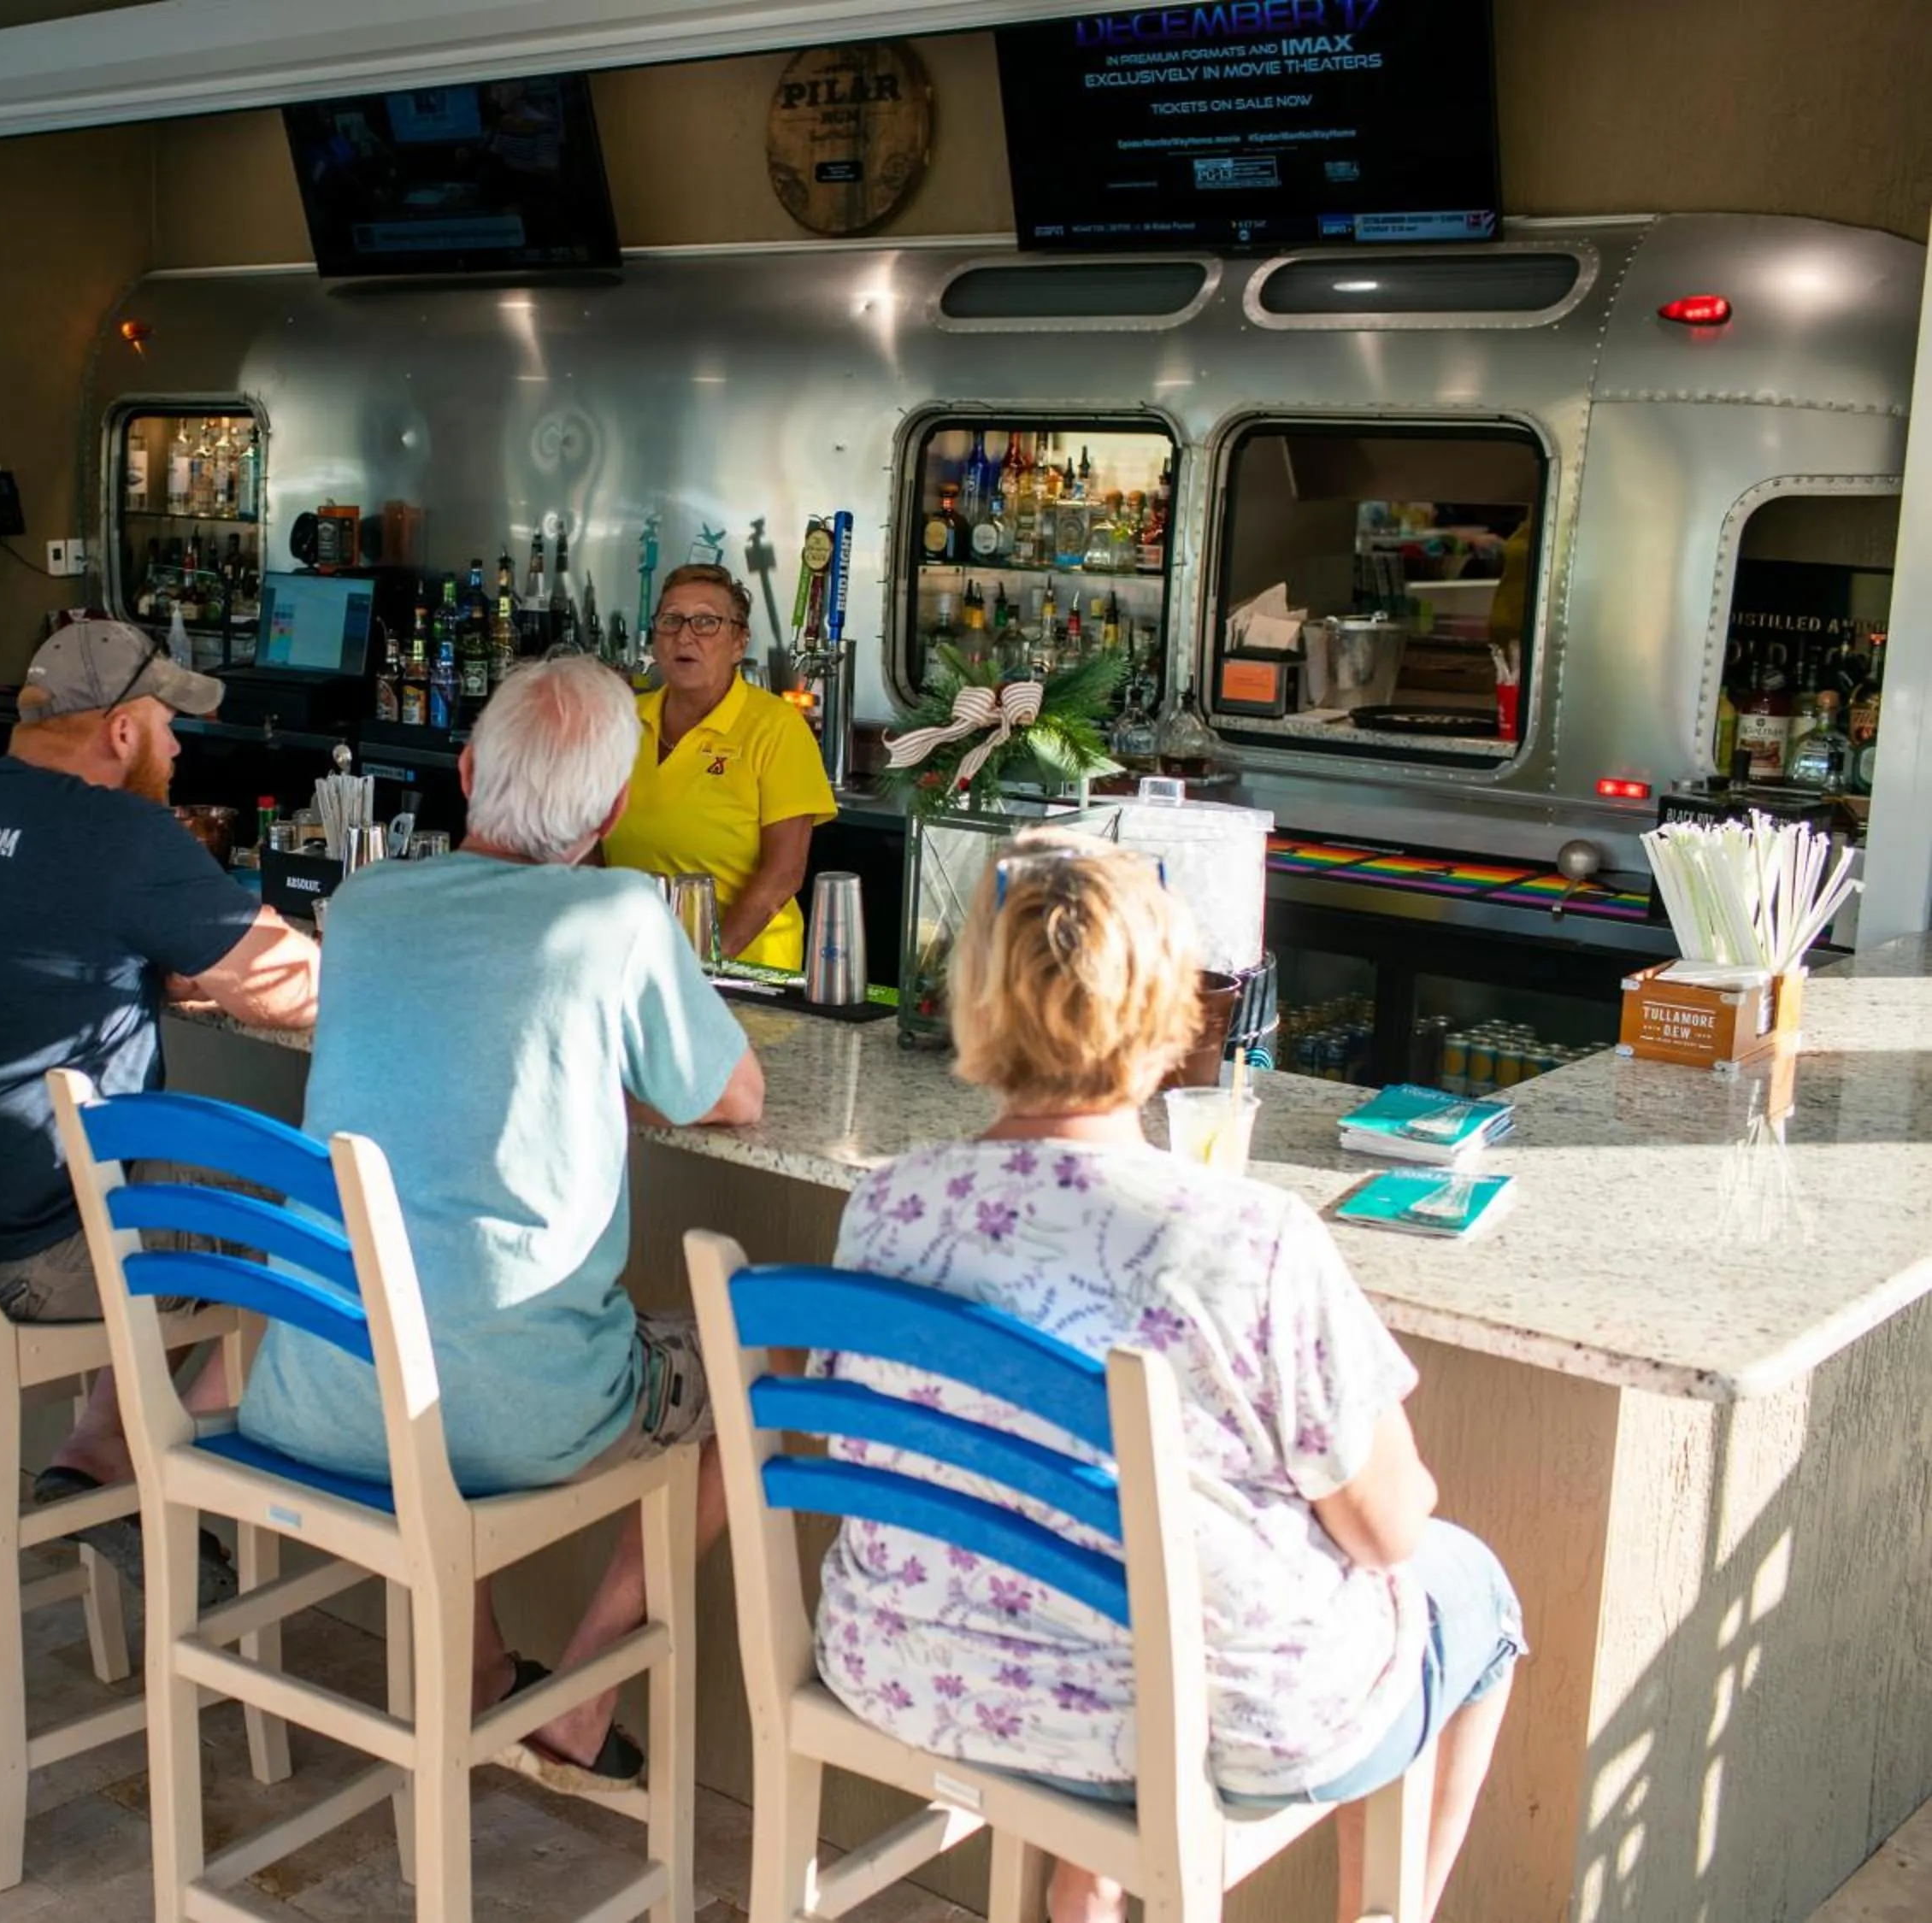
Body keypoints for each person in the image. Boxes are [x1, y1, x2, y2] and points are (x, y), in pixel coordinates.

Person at [810, 832, 1522, 1923]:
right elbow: (1385, 1531)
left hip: (907, 1665)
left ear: (973, 1002)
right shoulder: (1249, 1238)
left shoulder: (888, 1204)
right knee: (1468, 1591)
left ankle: (1084, 1880)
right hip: (1160, 1718)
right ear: (1173, 1009)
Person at [237, 654, 764, 1792]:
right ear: (616, 812)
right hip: (516, 1424)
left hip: (321, 1393)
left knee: (427, 1284)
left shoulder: (365, 903)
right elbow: (735, 1099)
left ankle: (481, 1669)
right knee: (754, 1369)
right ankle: (584, 1694)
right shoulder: (619, 913)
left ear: (468, 768)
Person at [0, 615, 320, 1592]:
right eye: (172, 724)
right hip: (20, 1262)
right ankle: (159, 1485)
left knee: (135, 1170)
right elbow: (296, 989)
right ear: (123, 732)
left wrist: (166, 962)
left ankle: (97, 1455)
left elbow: (38, 943)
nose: (182, 748)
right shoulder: (119, 831)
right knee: (317, 1221)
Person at [599, 563, 837, 970]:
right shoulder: (620, 721)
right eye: (671, 620)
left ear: (738, 641)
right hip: (630, 962)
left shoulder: (776, 727)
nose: (684, 635)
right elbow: (584, 842)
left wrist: (704, 964)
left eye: (706, 622)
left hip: (746, 969)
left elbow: (783, 872)